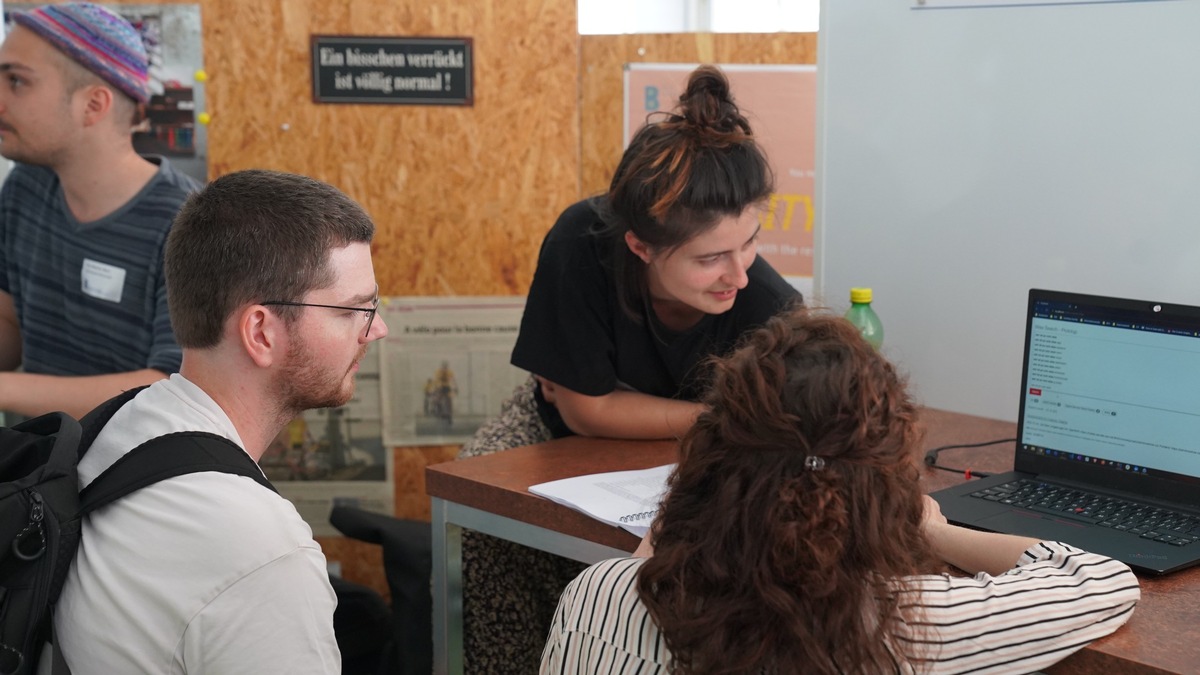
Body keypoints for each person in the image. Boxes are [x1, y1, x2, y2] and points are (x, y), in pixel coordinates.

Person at [542, 308, 1141, 675]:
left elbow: (659, 567)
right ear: (883, 488)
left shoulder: (594, 597)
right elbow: (1104, 580)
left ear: (709, 464)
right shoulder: (908, 627)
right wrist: (933, 530)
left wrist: (687, 514)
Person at [458, 64, 800, 672]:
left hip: (692, 445)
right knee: (488, 511)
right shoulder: (581, 242)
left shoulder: (767, 304)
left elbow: (777, 423)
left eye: (750, 243)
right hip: (560, 430)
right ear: (639, 246)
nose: (738, 274)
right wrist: (708, 415)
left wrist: (631, 408)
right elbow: (583, 412)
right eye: (711, 258)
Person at [53, 169, 387, 673]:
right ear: (261, 332)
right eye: (353, 311)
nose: (376, 329)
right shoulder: (263, 550)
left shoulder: (122, 424)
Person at [0, 2, 201, 420]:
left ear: (94, 105)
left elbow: (171, 389)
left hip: (138, 477)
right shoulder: (25, 189)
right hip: (40, 471)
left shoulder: (190, 225)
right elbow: (9, 327)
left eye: (16, 81)